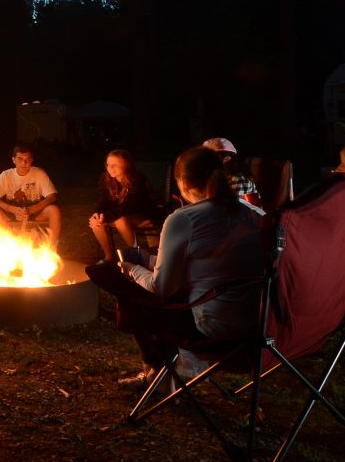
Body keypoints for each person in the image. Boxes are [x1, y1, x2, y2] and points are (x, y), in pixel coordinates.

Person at [114, 145, 264, 388]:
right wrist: (152, 261)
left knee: (130, 294)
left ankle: (159, 375)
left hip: (213, 331)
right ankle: (162, 375)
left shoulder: (184, 218)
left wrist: (131, 269)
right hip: (260, 326)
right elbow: (210, 264)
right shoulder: (256, 213)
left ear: (182, 182)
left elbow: (161, 286)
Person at [88, 149, 160, 263]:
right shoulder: (106, 179)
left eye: (115, 165)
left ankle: (137, 256)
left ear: (127, 164)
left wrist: (106, 216)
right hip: (120, 215)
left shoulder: (137, 179)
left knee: (120, 220)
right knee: (95, 221)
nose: (110, 168)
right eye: (108, 165)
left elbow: (129, 206)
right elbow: (103, 200)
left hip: (143, 214)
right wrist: (98, 214)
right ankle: (109, 257)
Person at [0, 145, 61, 240]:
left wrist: (31, 209)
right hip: (11, 213)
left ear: (32, 160)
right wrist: (11, 209)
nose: (24, 163)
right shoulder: (6, 175)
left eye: (27, 159)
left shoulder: (39, 173)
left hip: (35, 213)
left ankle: (52, 246)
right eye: (20, 159)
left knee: (54, 210)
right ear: (13, 160)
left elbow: (52, 197)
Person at [202, 136, 264, 213]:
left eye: (209, 159)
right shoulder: (218, 178)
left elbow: (241, 213)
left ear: (226, 159)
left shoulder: (239, 180)